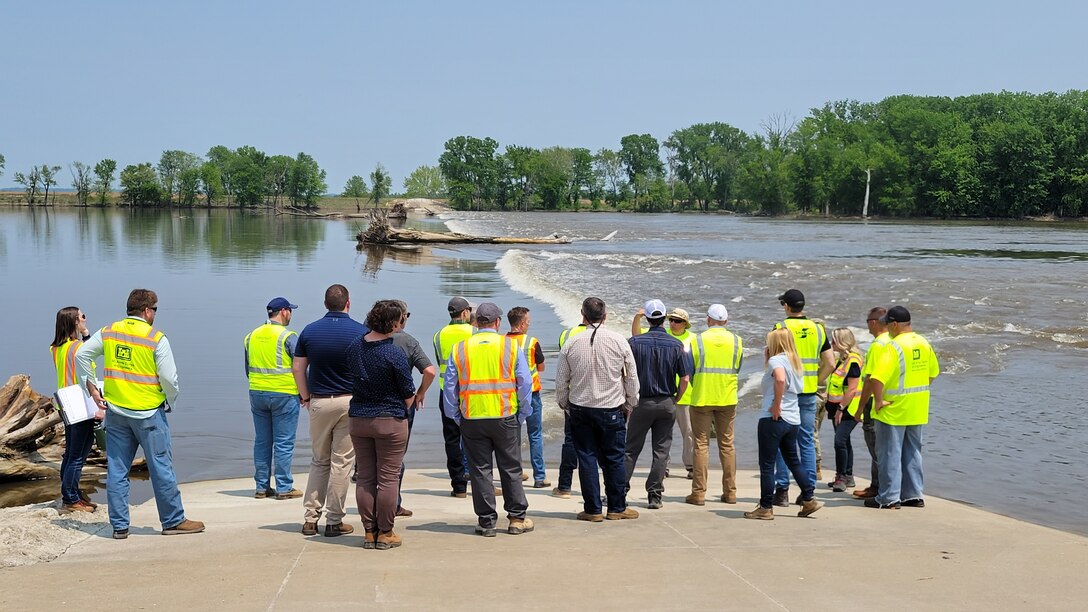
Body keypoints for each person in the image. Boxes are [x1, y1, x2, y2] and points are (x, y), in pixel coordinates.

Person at [75, 289, 204, 539]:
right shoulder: (156, 338)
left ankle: (120, 526)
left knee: (117, 470)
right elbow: (169, 378)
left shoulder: (109, 331)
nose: (155, 314)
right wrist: (171, 400)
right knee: (161, 468)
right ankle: (173, 521)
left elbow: (82, 354)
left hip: (117, 413)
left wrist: (90, 386)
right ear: (147, 311)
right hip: (148, 414)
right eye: (155, 310)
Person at [443, 303, 535, 537]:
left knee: (480, 470)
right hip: (505, 416)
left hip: (472, 417)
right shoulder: (510, 346)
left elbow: (450, 388)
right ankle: (516, 518)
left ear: (476, 322)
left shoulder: (460, 348)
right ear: (497, 323)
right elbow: (524, 383)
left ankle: (486, 522)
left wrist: (456, 415)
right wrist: (523, 412)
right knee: (511, 467)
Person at [555, 297, 640, 522]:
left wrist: (565, 405)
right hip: (612, 409)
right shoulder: (619, 340)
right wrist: (631, 403)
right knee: (614, 459)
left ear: (582, 316)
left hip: (581, 409)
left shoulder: (571, 342)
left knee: (587, 459)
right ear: (605, 316)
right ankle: (616, 507)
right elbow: (631, 377)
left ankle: (593, 509)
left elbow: (561, 381)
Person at [292, 284, 365, 537]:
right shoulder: (360, 332)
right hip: (350, 401)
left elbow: (298, 368)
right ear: (348, 303)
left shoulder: (309, 331)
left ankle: (310, 519)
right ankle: (334, 521)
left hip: (319, 401)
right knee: (342, 463)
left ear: (325, 304)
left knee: (319, 460)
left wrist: (305, 397)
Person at [346, 300, 416, 550]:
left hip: (358, 418)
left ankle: (368, 531)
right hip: (389, 420)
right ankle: (385, 532)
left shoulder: (355, 346)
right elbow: (408, 393)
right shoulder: (393, 353)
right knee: (388, 479)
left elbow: (349, 376)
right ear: (393, 323)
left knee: (365, 477)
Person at [866, 306, 940, 510]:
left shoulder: (894, 345)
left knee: (890, 453)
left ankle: (888, 497)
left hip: (894, 409)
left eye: (887, 324)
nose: (885, 328)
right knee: (913, 451)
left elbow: (877, 378)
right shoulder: (923, 342)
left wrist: (879, 401)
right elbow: (933, 373)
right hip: (917, 407)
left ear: (895, 324)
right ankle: (913, 495)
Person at [744, 328, 822, 520]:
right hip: (793, 418)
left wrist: (776, 405)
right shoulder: (795, 361)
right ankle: (809, 498)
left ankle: (765, 507)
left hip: (774, 419)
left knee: (767, 464)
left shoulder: (776, 360)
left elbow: (780, 379)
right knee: (793, 460)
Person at [624, 299, 692, 509]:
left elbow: (624, 373)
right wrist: (676, 398)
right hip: (666, 402)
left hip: (641, 402)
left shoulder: (635, 343)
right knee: (661, 451)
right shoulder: (676, 344)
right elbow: (686, 378)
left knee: (630, 450)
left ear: (648, 319)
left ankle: (619, 491)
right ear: (664, 319)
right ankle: (655, 495)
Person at [771, 289, 835, 507]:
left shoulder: (781, 328)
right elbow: (830, 362)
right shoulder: (818, 329)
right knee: (806, 440)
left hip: (787, 392)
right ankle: (808, 490)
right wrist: (816, 380)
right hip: (808, 392)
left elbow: (772, 362)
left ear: (786, 307)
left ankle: (782, 490)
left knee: (782, 441)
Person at [244, 297, 302, 500]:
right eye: (290, 311)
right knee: (284, 443)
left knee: (262, 441)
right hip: (284, 394)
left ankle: (261, 487)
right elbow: (299, 367)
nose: (291, 315)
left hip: (257, 393)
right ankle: (284, 487)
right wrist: (305, 394)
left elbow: (247, 368)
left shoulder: (251, 336)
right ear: (284, 312)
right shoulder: (289, 336)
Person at [686, 304, 743, 505]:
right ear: (726, 321)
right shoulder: (737, 341)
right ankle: (730, 492)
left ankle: (699, 493)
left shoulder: (697, 340)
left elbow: (689, 369)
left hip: (702, 396)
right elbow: (737, 367)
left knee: (701, 445)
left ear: (708, 319)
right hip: (727, 398)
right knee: (727, 445)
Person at [51, 306, 105, 513]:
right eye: (82, 316)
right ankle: (71, 499)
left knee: (71, 453)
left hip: (65, 403)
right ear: (75, 321)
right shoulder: (77, 348)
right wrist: (86, 334)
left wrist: (83, 335)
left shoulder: (56, 348)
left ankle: (72, 493)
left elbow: (83, 355)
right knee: (78, 454)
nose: (85, 318)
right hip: (80, 404)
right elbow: (89, 365)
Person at [633, 306, 695, 479]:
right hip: (664, 394)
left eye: (678, 321)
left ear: (685, 324)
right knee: (662, 437)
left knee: (688, 432)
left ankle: (690, 466)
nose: (673, 323)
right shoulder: (662, 335)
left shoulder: (693, 339)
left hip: (685, 395)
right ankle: (664, 467)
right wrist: (637, 317)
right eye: (671, 320)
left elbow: (693, 368)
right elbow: (637, 337)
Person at [390, 300, 436, 517]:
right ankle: (393, 504)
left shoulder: (366, 338)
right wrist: (421, 393)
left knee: (372, 463)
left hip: (368, 406)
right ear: (401, 318)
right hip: (401, 405)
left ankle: (374, 507)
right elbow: (429, 371)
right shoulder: (408, 342)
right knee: (397, 458)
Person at [433, 296, 474, 497]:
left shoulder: (438, 335)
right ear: (465, 312)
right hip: (471, 392)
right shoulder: (474, 332)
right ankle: (477, 479)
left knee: (451, 439)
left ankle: (458, 486)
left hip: (446, 392)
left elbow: (439, 361)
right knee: (475, 437)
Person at [506, 306, 550, 488]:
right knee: (535, 435)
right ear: (523, 324)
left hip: (509, 394)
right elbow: (541, 368)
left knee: (512, 436)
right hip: (531, 394)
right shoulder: (532, 342)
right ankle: (539, 476)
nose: (529, 324)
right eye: (528, 322)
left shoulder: (502, 341)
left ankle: (515, 473)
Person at [853, 307, 890, 499]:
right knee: (888, 446)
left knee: (875, 445)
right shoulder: (893, 342)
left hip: (875, 402)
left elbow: (870, 379)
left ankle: (879, 488)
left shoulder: (878, 345)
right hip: (892, 400)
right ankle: (883, 486)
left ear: (874, 322)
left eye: (867, 320)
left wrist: (860, 407)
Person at [551, 321, 587, 499]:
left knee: (571, 441)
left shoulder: (567, 335)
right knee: (600, 446)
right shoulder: (610, 337)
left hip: (575, 398)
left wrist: (563, 401)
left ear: (583, 314)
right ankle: (599, 490)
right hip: (602, 401)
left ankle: (565, 486)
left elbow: (562, 375)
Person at [825, 327, 863, 492]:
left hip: (848, 408)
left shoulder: (852, 361)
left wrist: (841, 408)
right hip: (838, 406)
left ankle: (841, 477)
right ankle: (848, 476)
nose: (831, 343)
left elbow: (852, 389)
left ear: (842, 342)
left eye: (834, 340)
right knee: (844, 441)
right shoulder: (842, 359)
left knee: (839, 441)